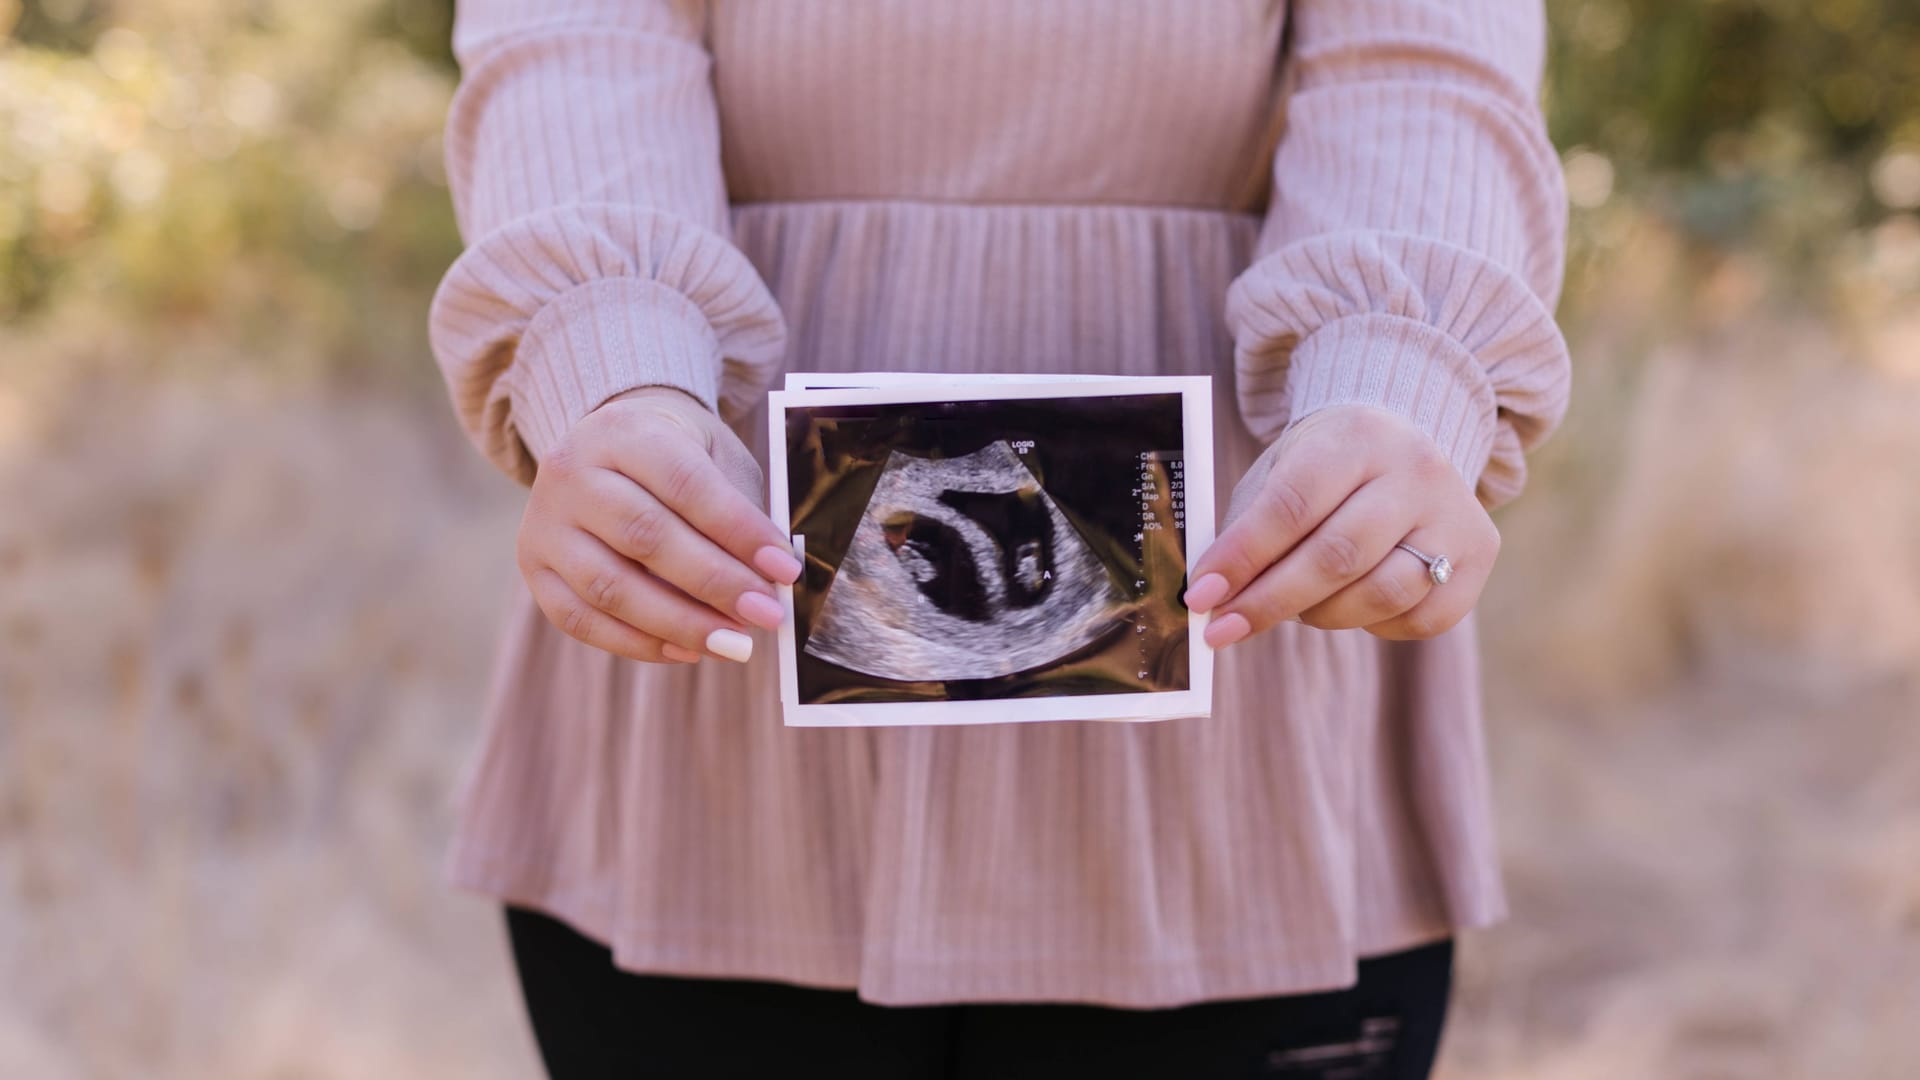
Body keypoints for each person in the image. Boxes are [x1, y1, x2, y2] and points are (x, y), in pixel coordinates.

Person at [427, 1, 1569, 1076]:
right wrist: (614, 362)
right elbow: (580, 38)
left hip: (1238, 685)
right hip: (722, 644)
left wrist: (1396, 376)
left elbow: (1422, 72)